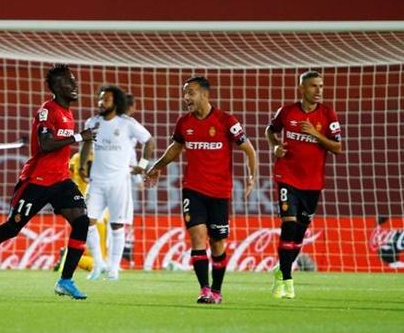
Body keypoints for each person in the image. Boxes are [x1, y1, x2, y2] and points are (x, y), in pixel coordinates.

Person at [0, 64, 98, 300]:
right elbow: (45, 144)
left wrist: (82, 139)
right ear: (57, 86)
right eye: (69, 81)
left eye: (74, 80)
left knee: (81, 221)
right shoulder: (47, 110)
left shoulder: (68, 113)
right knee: (13, 228)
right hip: (36, 180)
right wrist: (79, 137)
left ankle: (65, 280)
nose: (75, 85)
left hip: (61, 180)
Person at [145, 76, 257, 304]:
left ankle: (217, 290)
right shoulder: (184, 122)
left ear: (205, 95)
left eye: (191, 92)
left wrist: (251, 177)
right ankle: (204, 289)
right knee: (197, 237)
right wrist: (157, 166)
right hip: (193, 189)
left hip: (219, 192)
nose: (186, 97)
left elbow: (249, 150)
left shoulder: (226, 121)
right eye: (185, 93)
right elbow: (175, 147)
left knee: (217, 243)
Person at [266, 70, 342, 299]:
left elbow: (337, 147)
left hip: (312, 182)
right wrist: (275, 146)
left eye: (320, 86)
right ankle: (286, 281)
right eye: (313, 86)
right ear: (302, 88)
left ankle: (282, 269)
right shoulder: (287, 111)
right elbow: (271, 130)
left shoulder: (328, 115)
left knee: (298, 233)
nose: (318, 90)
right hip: (287, 177)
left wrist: (316, 134)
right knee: (288, 225)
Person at [80, 85, 154, 281]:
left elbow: (149, 141)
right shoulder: (92, 122)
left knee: (117, 225)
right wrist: (81, 166)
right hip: (96, 182)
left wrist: (143, 165)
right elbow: (87, 143)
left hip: (119, 183)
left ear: (115, 103)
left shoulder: (127, 124)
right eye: (100, 99)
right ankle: (98, 264)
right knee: (87, 222)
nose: (101, 103)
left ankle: (113, 269)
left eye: (106, 99)